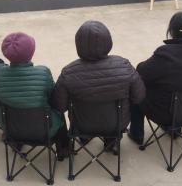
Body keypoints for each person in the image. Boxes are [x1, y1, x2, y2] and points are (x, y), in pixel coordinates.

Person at [51, 21, 146, 152]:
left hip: (81, 124)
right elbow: (138, 98)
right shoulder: (124, 66)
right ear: (108, 42)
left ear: (78, 44)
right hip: (117, 124)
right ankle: (110, 141)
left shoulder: (68, 72)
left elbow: (59, 107)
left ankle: (84, 137)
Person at [127, 12, 182, 145]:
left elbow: (141, 73)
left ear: (172, 32)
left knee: (137, 89)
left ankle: (137, 133)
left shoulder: (166, 54)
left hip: (167, 115)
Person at [0, 32, 70, 156]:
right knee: (58, 109)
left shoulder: (0, 73)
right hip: (44, 130)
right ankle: (64, 148)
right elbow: (53, 99)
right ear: (31, 53)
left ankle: (17, 143)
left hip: (11, 129)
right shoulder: (43, 72)